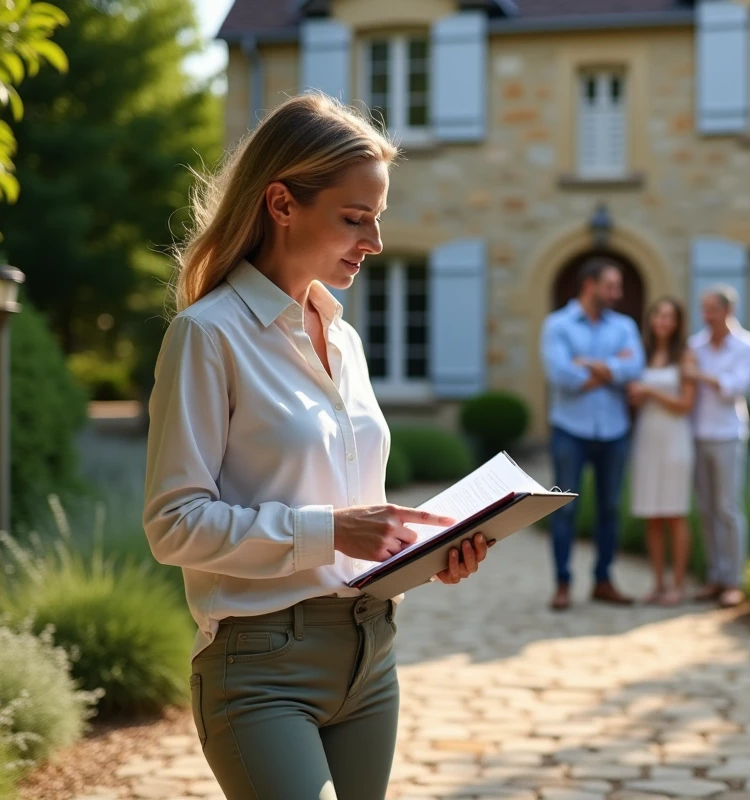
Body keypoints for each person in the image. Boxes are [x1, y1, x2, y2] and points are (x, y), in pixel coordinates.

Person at [141, 93, 491, 800]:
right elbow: (172, 524)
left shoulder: (344, 337)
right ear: (281, 204)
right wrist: (333, 532)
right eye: (354, 218)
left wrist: (424, 551)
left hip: (370, 653)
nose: (375, 241)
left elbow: (351, 514)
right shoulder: (207, 335)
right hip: (260, 665)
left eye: (377, 219)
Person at [539, 259, 645, 611]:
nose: (618, 293)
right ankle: (562, 584)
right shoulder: (557, 325)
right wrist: (614, 368)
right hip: (571, 429)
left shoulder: (625, 325)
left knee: (610, 509)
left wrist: (588, 364)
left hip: (614, 431)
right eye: (611, 286)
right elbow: (561, 377)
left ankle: (603, 580)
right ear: (590, 286)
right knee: (565, 509)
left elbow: (636, 368)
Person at [687, 285, 750, 609]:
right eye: (703, 309)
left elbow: (736, 388)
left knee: (728, 509)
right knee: (705, 509)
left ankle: (735, 581)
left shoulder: (747, 344)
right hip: (698, 434)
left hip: (729, 434)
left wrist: (701, 376)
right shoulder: (696, 344)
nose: (706, 316)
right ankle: (715, 576)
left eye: (711, 310)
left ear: (727, 311)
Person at [626, 297, 697, 606]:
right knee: (652, 515)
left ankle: (678, 585)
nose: (663, 322)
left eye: (669, 316)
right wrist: (635, 396)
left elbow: (685, 404)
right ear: (651, 319)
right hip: (647, 437)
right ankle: (657, 583)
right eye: (658, 315)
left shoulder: (686, 356)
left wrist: (651, 391)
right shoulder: (640, 354)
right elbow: (633, 399)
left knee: (674, 513)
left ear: (678, 322)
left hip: (675, 438)